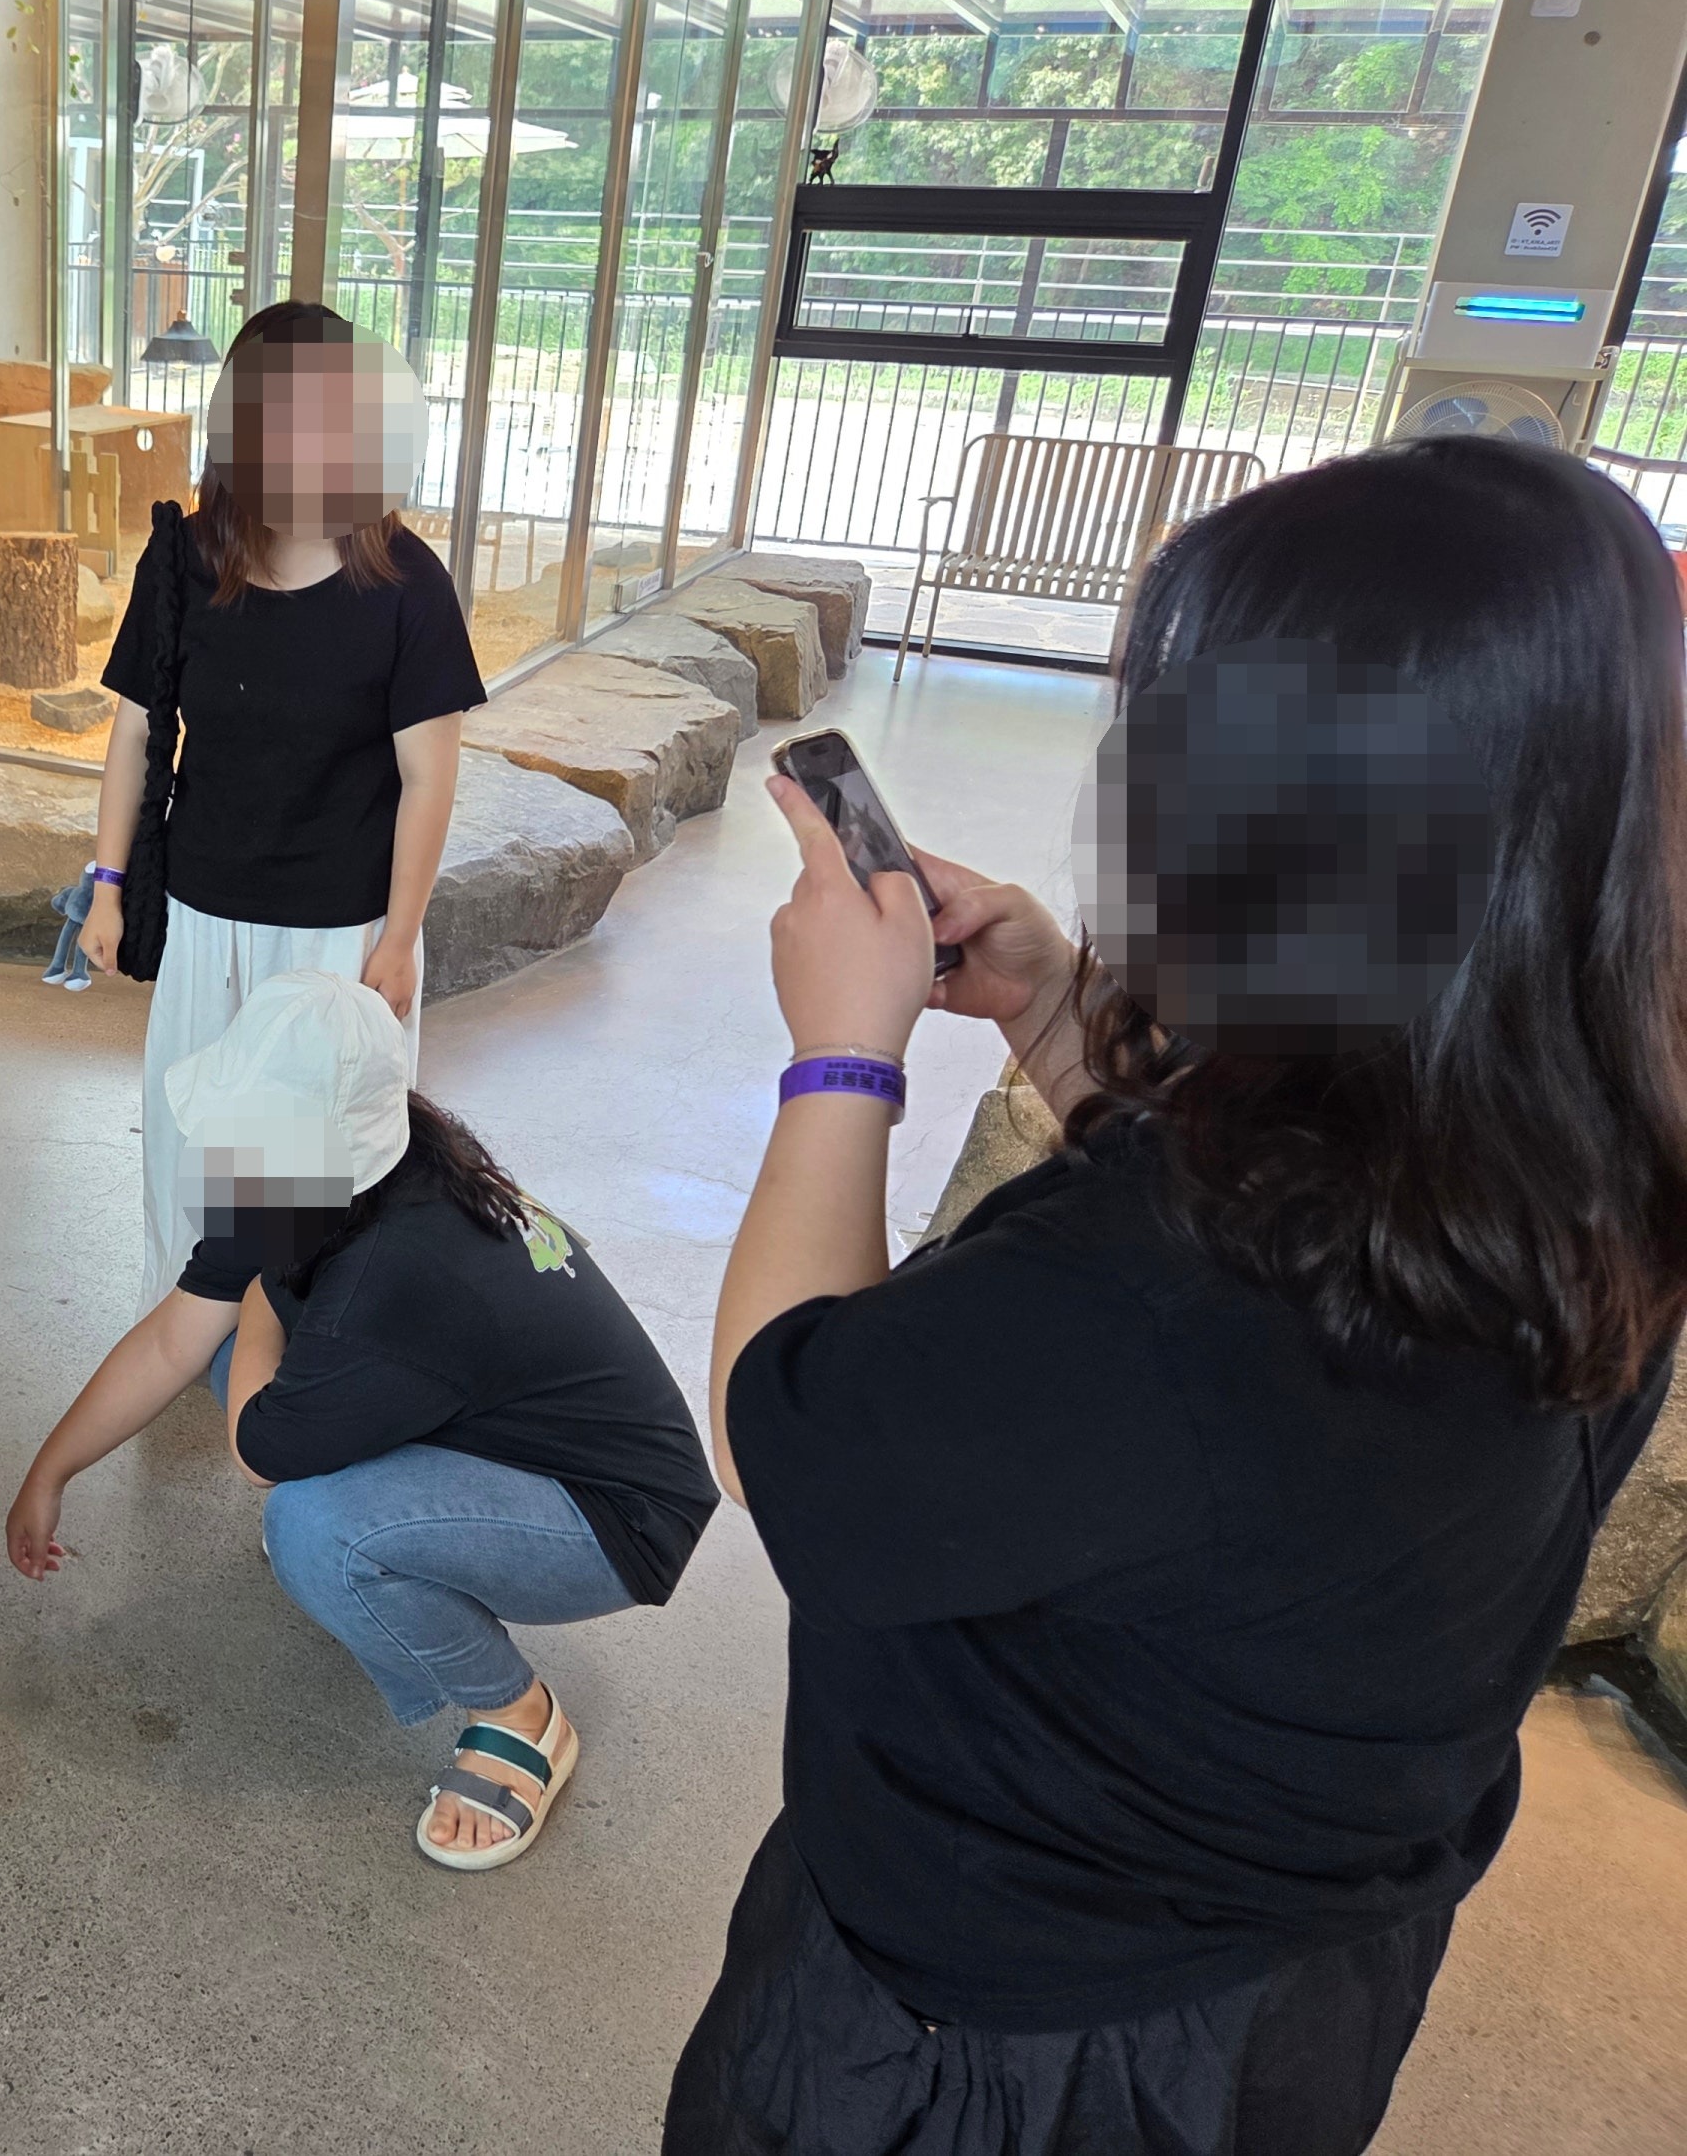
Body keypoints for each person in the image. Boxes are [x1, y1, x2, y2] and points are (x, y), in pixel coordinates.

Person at [667, 437, 1687, 2154]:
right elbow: (1274, 1278)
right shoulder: (1582, 1136)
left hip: (1005, 2031)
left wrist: (842, 1058)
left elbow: (789, 1434)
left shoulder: (1142, 1294)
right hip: (1285, 1972)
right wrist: (1052, 1007)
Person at [6, 971, 717, 1868]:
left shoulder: (395, 1270)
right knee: (225, 1352)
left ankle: (518, 1716)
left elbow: (258, 1455)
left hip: (613, 1518)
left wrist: (262, 1291)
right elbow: (171, 1341)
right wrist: (50, 1471)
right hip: (509, 1431)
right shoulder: (365, 1159)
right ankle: (386, 1544)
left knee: (314, 1526)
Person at [75, 300, 487, 1312]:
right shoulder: (183, 559)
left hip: (341, 930)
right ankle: (182, 1327)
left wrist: (400, 938)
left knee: (321, 1161)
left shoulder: (408, 584)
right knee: (192, 1135)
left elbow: (429, 777)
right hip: (206, 911)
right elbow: (136, 732)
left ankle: (308, 1339)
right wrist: (107, 885)